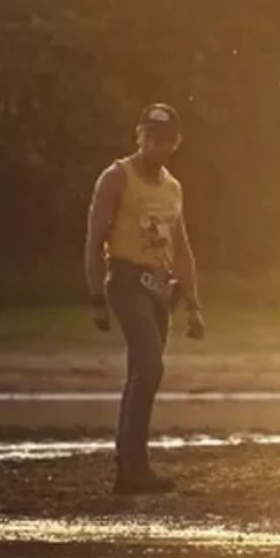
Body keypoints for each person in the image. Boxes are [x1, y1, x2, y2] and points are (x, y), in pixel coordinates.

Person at [85, 102, 205, 494]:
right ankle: (133, 465)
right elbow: (94, 237)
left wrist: (193, 303)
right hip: (126, 280)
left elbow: (182, 247)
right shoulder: (116, 178)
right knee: (150, 366)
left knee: (143, 373)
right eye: (150, 138)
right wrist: (95, 294)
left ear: (176, 143)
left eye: (164, 141)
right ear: (139, 136)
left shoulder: (173, 188)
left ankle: (130, 467)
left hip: (159, 286)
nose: (156, 146)